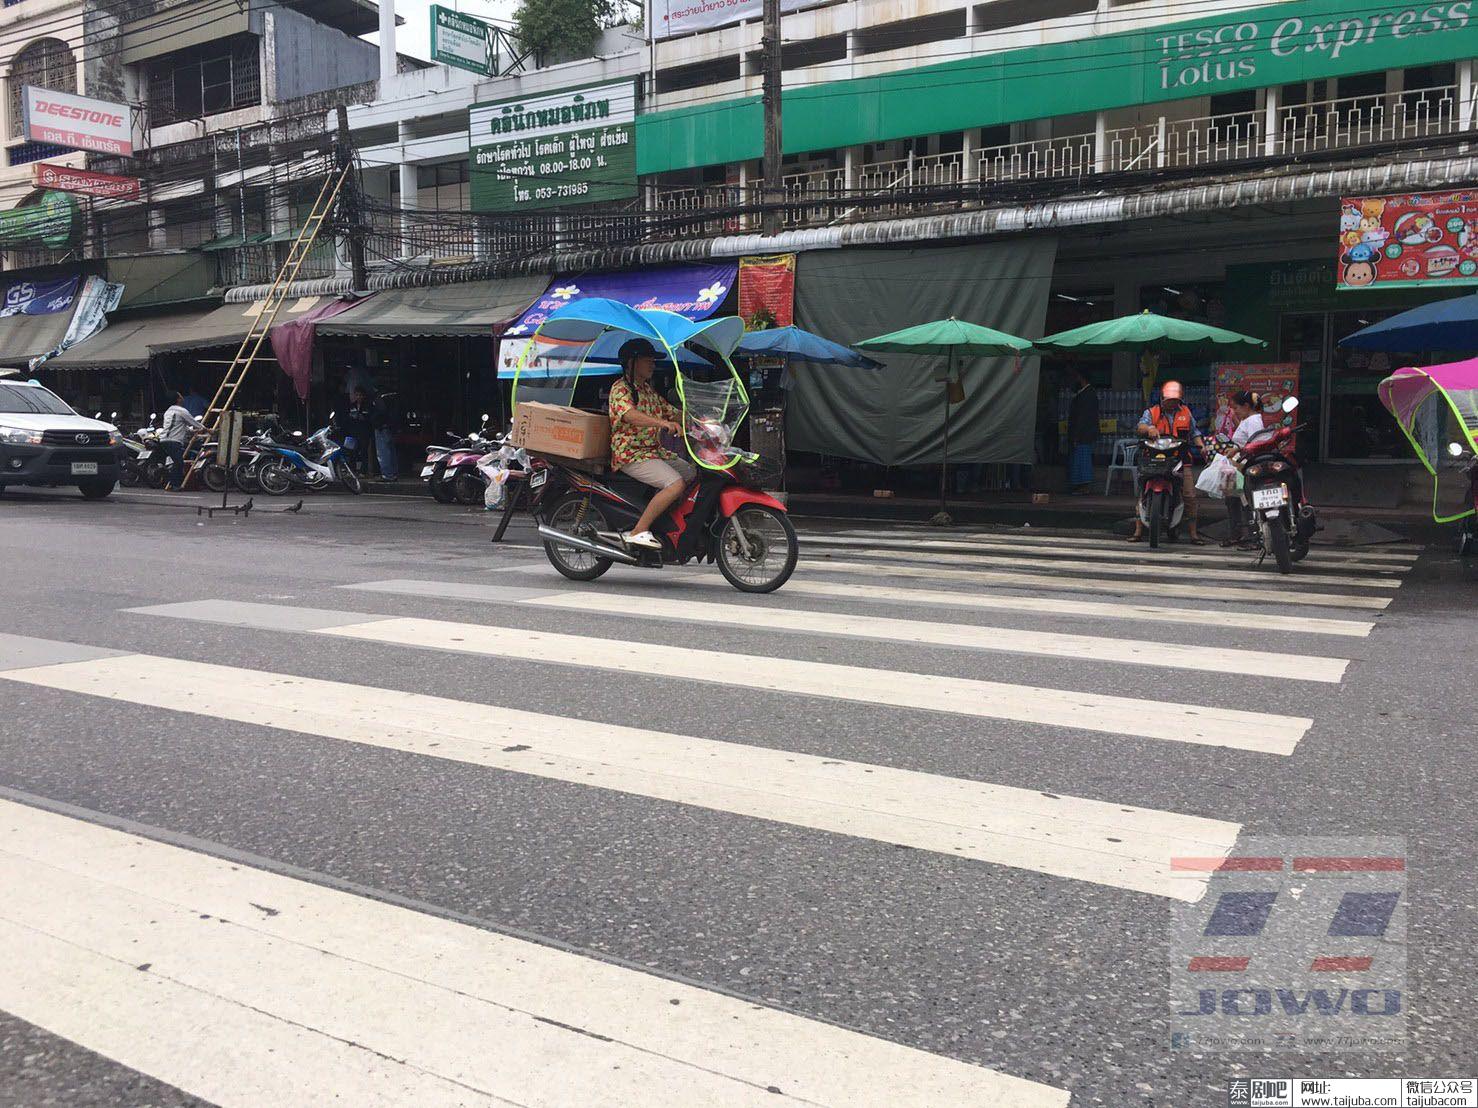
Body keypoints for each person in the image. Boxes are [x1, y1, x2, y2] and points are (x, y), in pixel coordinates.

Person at [607, 338, 693, 550]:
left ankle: (666, 522)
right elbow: (630, 415)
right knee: (675, 484)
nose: (653, 364)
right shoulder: (620, 389)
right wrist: (662, 423)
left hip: (653, 452)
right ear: (631, 362)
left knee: (692, 474)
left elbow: (672, 412)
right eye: (648, 360)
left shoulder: (647, 390)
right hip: (631, 453)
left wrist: (700, 421)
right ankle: (638, 531)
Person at [1128, 379, 1206, 545]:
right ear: (1162, 399)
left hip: (1181, 459)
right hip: (1154, 458)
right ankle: (1138, 530)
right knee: (1142, 493)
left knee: (1190, 496)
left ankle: (1194, 534)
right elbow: (1140, 426)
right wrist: (1149, 429)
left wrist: (1201, 445)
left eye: (1175, 400)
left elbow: (1194, 432)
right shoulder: (1152, 412)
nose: (1171, 403)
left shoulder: (1186, 412)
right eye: (1168, 400)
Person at [1222, 389, 1265, 547]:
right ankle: (1237, 535)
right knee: (1232, 499)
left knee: (1245, 501)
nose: (1235, 411)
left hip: (1243, 466)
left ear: (1246, 406)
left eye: (1237, 408)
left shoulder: (1253, 420)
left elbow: (1254, 444)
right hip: (1237, 466)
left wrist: (1237, 450)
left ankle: (1252, 537)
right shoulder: (1249, 420)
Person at [159, 389, 203, 489]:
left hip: (164, 440)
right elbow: (194, 423)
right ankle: (174, 485)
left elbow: (181, 426)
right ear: (178, 399)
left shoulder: (168, 411)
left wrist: (192, 431)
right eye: (180, 396)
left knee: (177, 461)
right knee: (179, 462)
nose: (182, 397)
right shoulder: (182, 411)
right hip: (173, 440)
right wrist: (207, 430)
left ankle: (171, 482)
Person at [1066, 369, 1098, 495]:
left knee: (1082, 460)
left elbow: (1083, 418)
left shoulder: (1087, 395)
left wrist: (1076, 435)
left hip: (1083, 435)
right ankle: (1079, 485)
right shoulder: (1086, 394)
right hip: (1083, 434)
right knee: (1079, 459)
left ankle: (1084, 486)